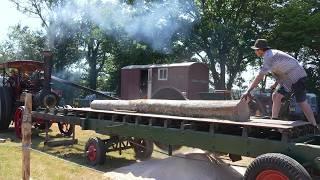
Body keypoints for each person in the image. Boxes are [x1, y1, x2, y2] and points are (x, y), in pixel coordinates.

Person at [242, 39, 319, 129]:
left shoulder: (268, 56)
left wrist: (248, 90)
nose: (255, 52)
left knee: (301, 101)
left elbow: (260, 76)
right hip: (288, 78)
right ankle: (274, 120)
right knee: (276, 96)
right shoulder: (271, 54)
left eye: (255, 50)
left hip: (297, 76)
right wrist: (275, 85)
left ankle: (314, 125)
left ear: (260, 50)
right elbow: (281, 71)